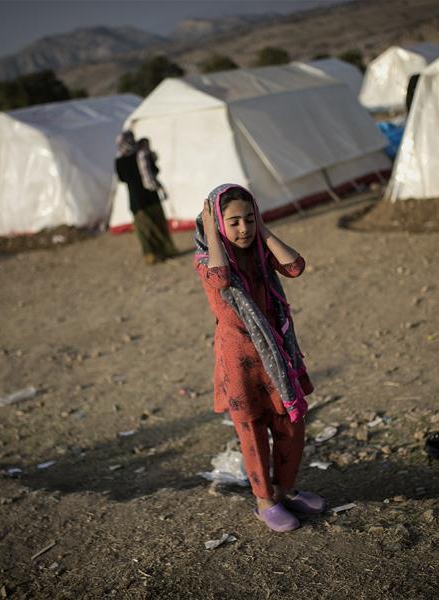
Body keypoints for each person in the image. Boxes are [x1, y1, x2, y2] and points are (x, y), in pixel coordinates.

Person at [195, 183, 324, 533]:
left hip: (277, 357)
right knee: (252, 431)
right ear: (218, 224)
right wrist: (213, 233)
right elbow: (221, 279)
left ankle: (285, 490)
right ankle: (265, 501)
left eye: (249, 219)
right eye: (233, 221)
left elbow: (295, 266)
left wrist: (264, 231)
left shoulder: (260, 250)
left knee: (291, 425)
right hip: (240, 362)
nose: (243, 229)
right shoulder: (207, 259)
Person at [115, 131, 177, 264]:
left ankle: (150, 255)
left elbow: (122, 179)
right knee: (159, 224)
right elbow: (155, 170)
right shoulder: (143, 154)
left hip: (136, 199)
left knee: (144, 229)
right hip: (151, 195)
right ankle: (167, 250)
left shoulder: (119, 160)